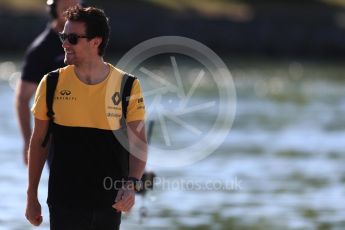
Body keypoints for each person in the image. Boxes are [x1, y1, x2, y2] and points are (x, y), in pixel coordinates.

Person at [25, 6, 148, 230]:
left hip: (110, 205)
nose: (64, 43)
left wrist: (131, 184)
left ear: (95, 42)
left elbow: (139, 143)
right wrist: (31, 196)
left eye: (72, 38)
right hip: (64, 203)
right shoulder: (51, 83)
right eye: (63, 36)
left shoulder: (127, 85)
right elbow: (38, 142)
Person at [15, 0, 81, 166]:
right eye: (65, 6)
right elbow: (23, 99)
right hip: (58, 139)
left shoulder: (90, 40)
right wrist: (28, 143)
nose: (70, 9)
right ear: (53, 8)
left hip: (94, 130)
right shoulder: (41, 49)